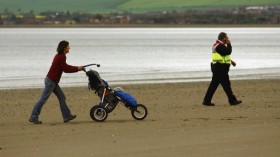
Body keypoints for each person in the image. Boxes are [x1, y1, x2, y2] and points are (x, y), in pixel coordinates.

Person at [29, 40, 84, 124]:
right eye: (68, 46)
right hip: (51, 81)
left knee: (62, 97)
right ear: (64, 48)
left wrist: (77, 68)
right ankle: (33, 117)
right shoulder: (61, 56)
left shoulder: (59, 56)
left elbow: (65, 67)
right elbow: (66, 69)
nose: (69, 48)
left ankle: (67, 116)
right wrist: (77, 68)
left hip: (52, 81)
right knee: (43, 99)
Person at [202, 32, 242, 106]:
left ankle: (206, 101)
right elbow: (227, 52)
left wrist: (231, 62)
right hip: (219, 69)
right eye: (227, 37)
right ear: (223, 38)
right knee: (226, 85)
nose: (228, 39)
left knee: (216, 85)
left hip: (220, 68)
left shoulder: (220, 45)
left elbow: (223, 56)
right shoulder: (219, 45)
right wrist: (229, 44)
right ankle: (232, 100)